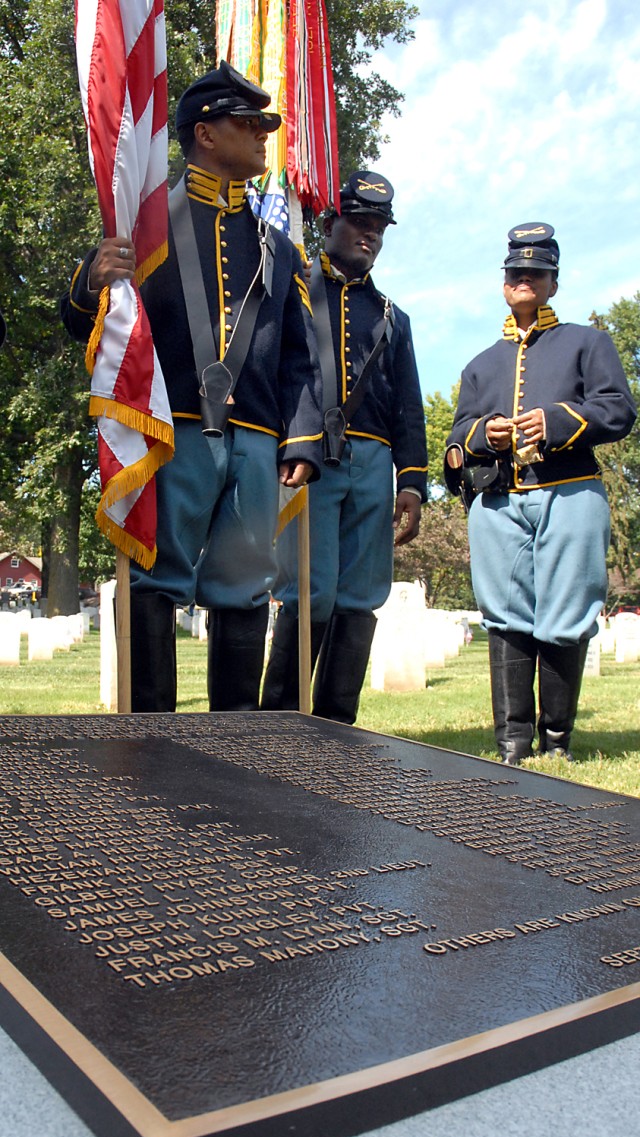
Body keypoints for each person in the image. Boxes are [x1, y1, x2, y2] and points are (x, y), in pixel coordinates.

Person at [62, 62, 323, 713]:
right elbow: (89, 323)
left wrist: (303, 439)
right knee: (157, 576)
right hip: (170, 427)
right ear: (205, 132)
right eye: (250, 123)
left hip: (259, 437)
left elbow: (301, 356)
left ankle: (234, 748)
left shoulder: (276, 244)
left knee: (242, 586)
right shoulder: (147, 226)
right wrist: (89, 280)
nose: (267, 135)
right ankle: (154, 743)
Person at [446, 222, 636, 764]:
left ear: (553, 283)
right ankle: (511, 744)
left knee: (566, 615)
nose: (524, 279)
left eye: (536, 272)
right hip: (498, 502)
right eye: (515, 273)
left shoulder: (587, 343)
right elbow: (457, 437)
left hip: (569, 492)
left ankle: (556, 743)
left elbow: (618, 409)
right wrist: (485, 433)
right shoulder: (480, 364)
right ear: (504, 283)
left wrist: (554, 422)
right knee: (505, 617)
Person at [262, 171, 428, 724]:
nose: (370, 235)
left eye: (379, 227)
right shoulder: (295, 292)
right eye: (360, 222)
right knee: (310, 589)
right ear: (329, 222)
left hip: (374, 462)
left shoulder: (392, 318)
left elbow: (408, 404)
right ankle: (279, 722)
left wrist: (411, 482)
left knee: (361, 595)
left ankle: (336, 725)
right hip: (311, 458)